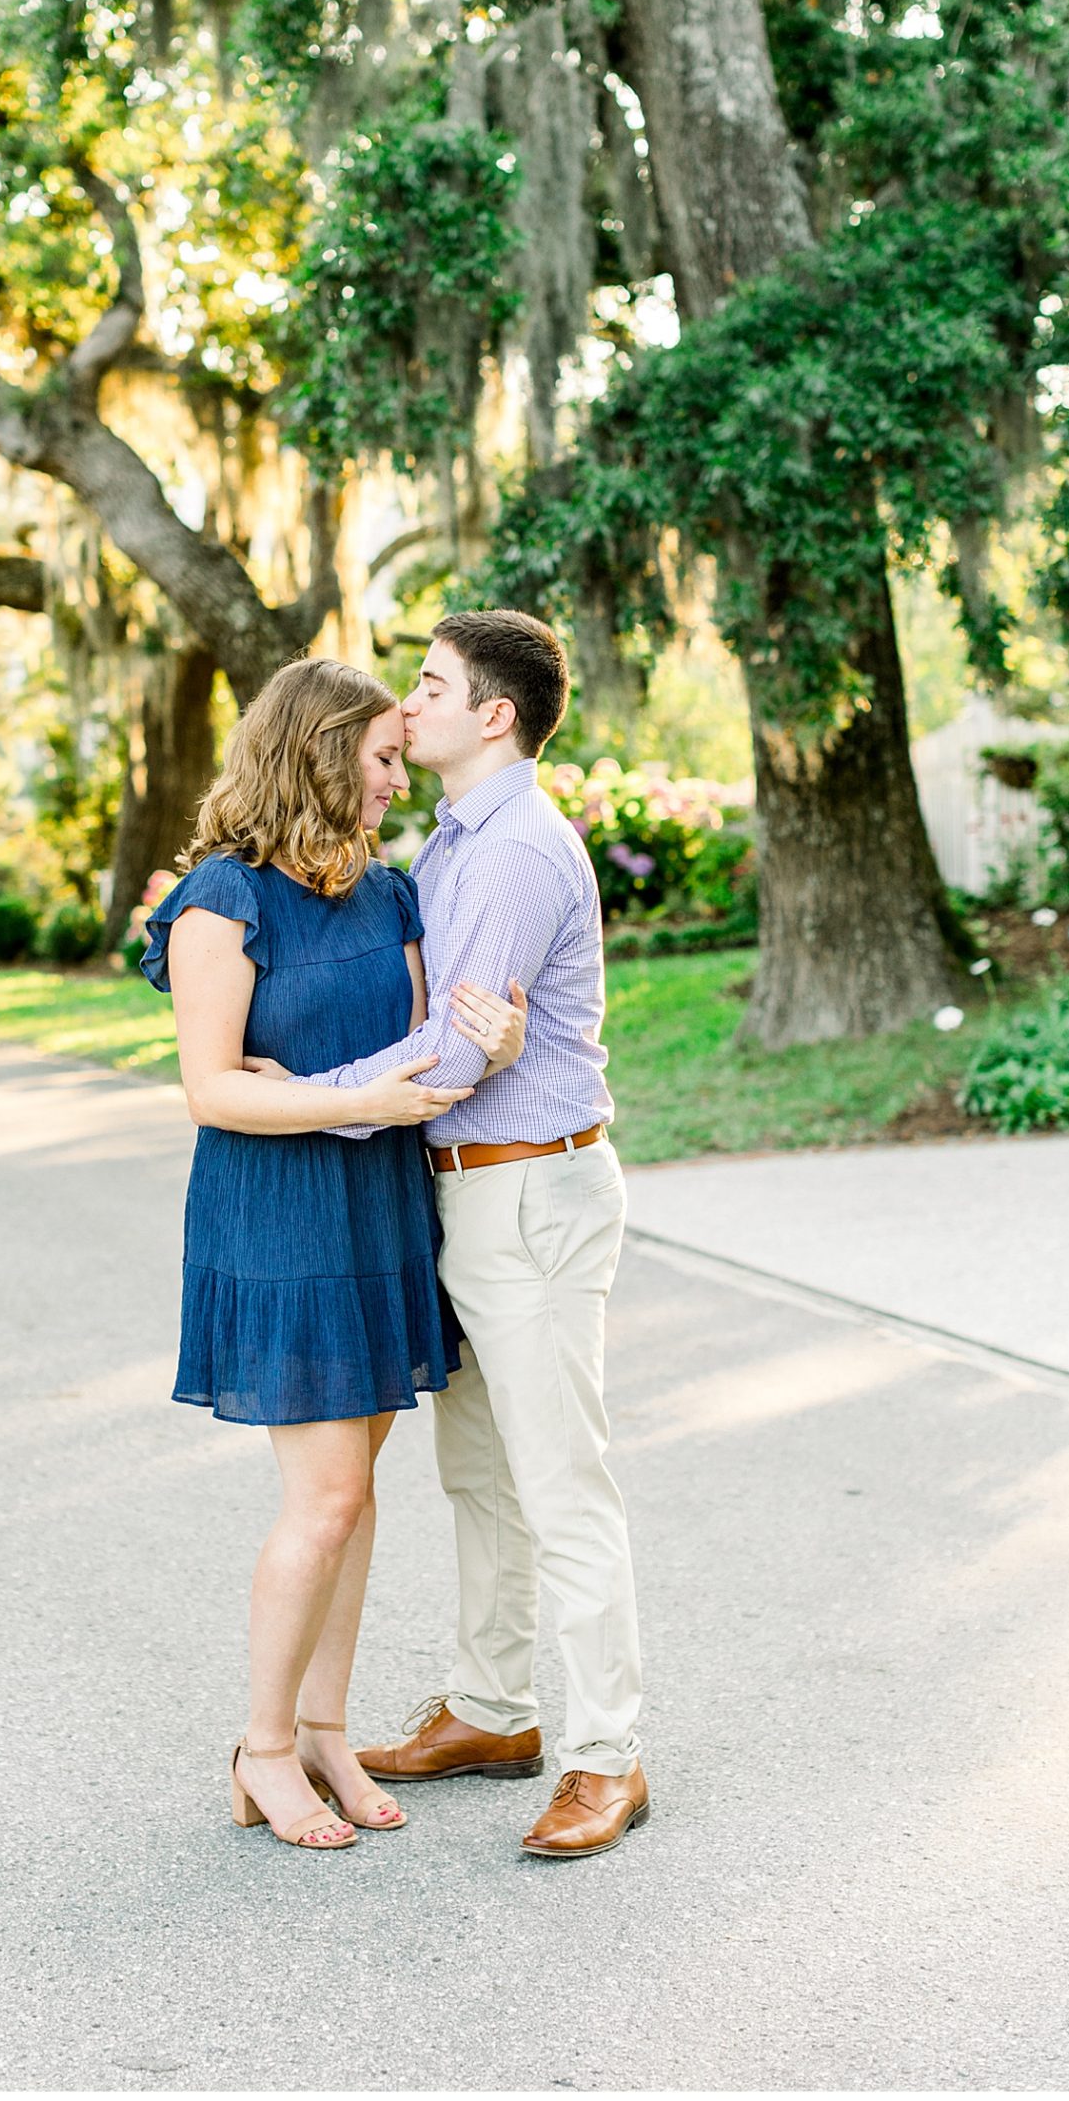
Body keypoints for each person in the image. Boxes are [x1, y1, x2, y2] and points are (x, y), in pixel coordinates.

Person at [139, 658, 527, 1853]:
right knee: (327, 1498)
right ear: (316, 753)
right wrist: (323, 1099)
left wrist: (488, 1044)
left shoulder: (390, 894)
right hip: (280, 1218)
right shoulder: (221, 899)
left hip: (379, 1205)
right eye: (381, 757)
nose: (396, 778)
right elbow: (212, 1093)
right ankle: (260, 1747)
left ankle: (323, 1732)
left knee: (356, 1502)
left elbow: (419, 1047)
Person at [279, 610, 648, 1860]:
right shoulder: (451, 842)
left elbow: (444, 1052)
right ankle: (495, 1711)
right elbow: (441, 1017)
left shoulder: (510, 854)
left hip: (527, 1191)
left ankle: (609, 1756)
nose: (411, 701)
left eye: (432, 685)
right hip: (461, 1192)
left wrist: (298, 1100)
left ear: (495, 714)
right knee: (481, 1475)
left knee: (560, 1483)